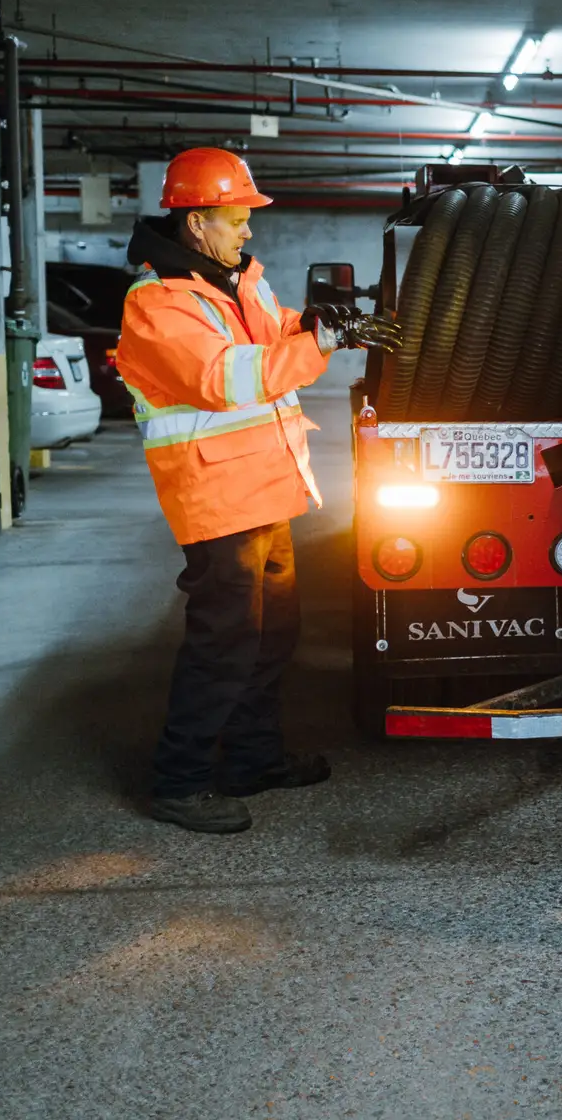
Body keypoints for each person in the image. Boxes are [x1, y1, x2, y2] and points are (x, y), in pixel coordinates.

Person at [116, 148, 398, 834]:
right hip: (217, 499)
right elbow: (225, 377)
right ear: (195, 224)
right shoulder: (158, 305)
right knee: (225, 642)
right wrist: (321, 343)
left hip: (265, 492)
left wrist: (330, 322)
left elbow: (273, 333)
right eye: (236, 219)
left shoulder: (239, 285)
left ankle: (252, 760)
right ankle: (178, 783)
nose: (248, 232)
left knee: (272, 636)